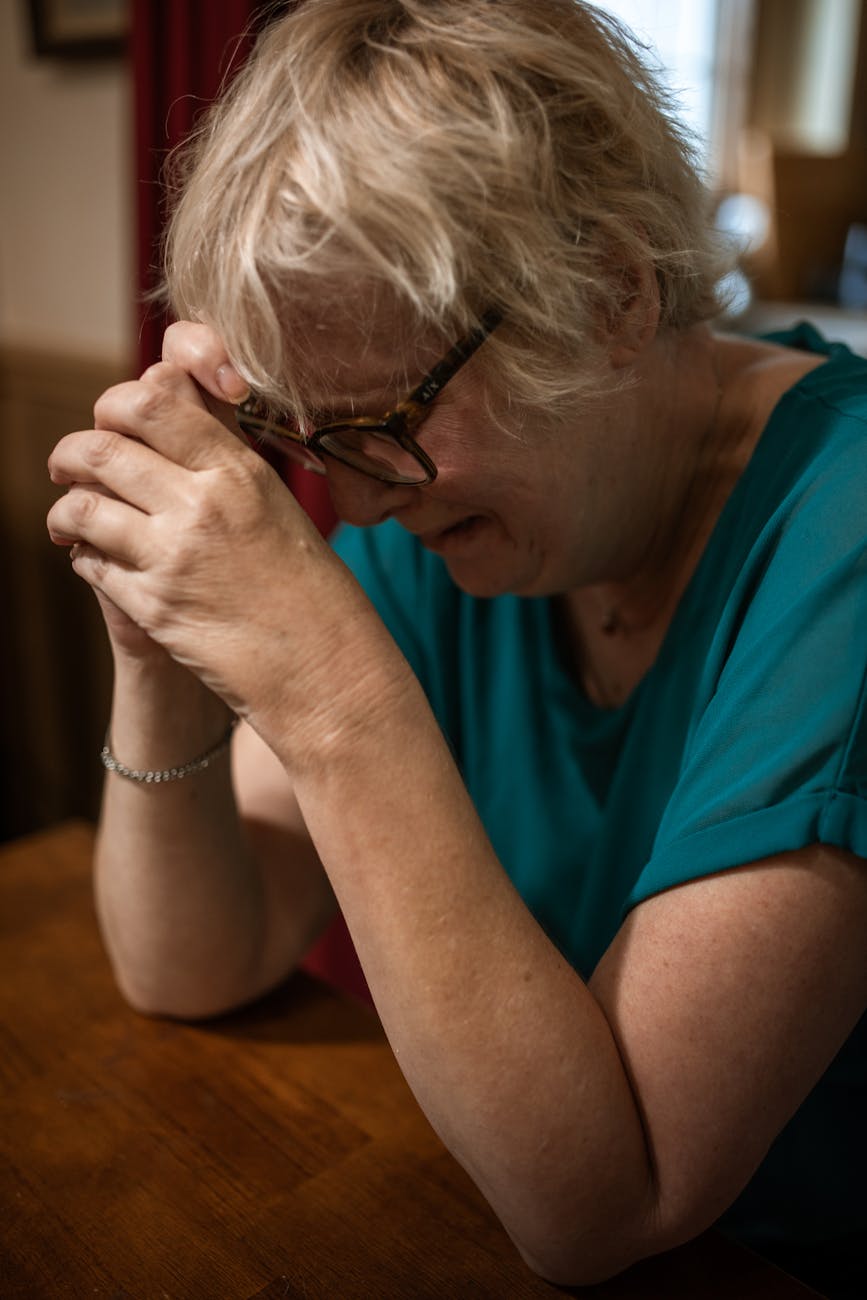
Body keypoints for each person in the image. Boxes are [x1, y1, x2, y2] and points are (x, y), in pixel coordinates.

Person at [46, 1, 867, 1294]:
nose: (357, 503)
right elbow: (194, 963)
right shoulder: (453, 512)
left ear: (612, 298)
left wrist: (329, 689)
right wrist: (153, 647)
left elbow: (613, 1200)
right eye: (308, 438)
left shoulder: (845, 534)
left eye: (384, 421)